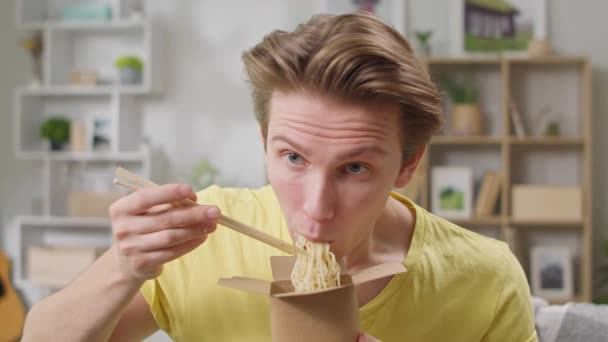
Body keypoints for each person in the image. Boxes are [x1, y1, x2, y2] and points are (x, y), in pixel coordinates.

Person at [22, 12, 537, 342]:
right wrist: (121, 266)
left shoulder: (484, 279)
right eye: (293, 158)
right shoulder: (204, 235)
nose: (316, 208)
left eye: (354, 168)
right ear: (264, 141)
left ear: (408, 165)